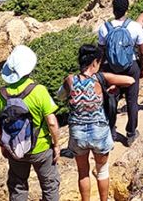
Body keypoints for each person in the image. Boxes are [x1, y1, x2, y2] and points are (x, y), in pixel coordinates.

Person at [57, 45, 135, 201]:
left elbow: (60, 96)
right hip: (99, 130)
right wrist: (112, 87)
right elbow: (131, 80)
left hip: (77, 132)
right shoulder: (101, 78)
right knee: (102, 171)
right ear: (94, 62)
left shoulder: (70, 79)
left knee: (83, 172)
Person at [0, 44, 61, 201]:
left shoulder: (0, 95)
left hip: (15, 150)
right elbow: (51, 122)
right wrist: (56, 145)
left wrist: (3, 144)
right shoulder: (39, 91)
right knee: (50, 186)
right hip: (41, 149)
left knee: (18, 187)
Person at [97, 0, 143, 147]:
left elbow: (100, 52)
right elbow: (142, 51)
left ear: (113, 9)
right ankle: (131, 134)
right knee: (132, 101)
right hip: (131, 67)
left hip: (111, 69)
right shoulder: (135, 27)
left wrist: (100, 73)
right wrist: (142, 68)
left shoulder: (104, 28)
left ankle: (111, 131)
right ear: (127, 9)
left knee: (111, 101)